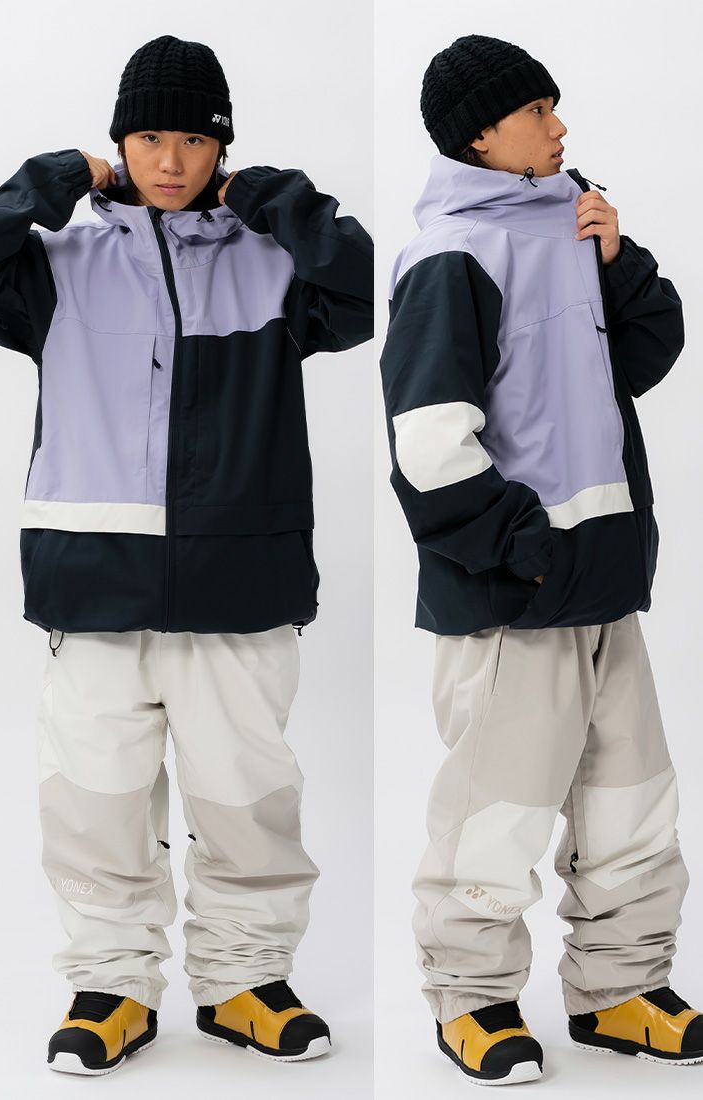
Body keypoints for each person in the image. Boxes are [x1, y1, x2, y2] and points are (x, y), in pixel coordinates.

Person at [0, 34, 373, 1075]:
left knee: (247, 801)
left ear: (222, 146)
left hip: (239, 586)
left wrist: (270, 197)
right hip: (92, 580)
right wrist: (58, 178)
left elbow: (366, 286)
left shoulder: (271, 263)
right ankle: (110, 985)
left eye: (194, 139)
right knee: (96, 803)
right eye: (148, 138)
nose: (172, 160)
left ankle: (245, 982)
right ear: (120, 143)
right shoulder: (57, 265)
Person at [379, 32, 699, 1086]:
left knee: (629, 799)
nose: (559, 127)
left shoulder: (569, 222)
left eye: (555, 108)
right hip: (514, 592)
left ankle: (622, 990)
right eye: (537, 112)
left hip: (601, 574)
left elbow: (641, 355)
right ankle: (470, 999)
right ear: (481, 134)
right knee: (496, 810)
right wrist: (521, 553)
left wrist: (617, 259)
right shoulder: (451, 254)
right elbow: (428, 440)